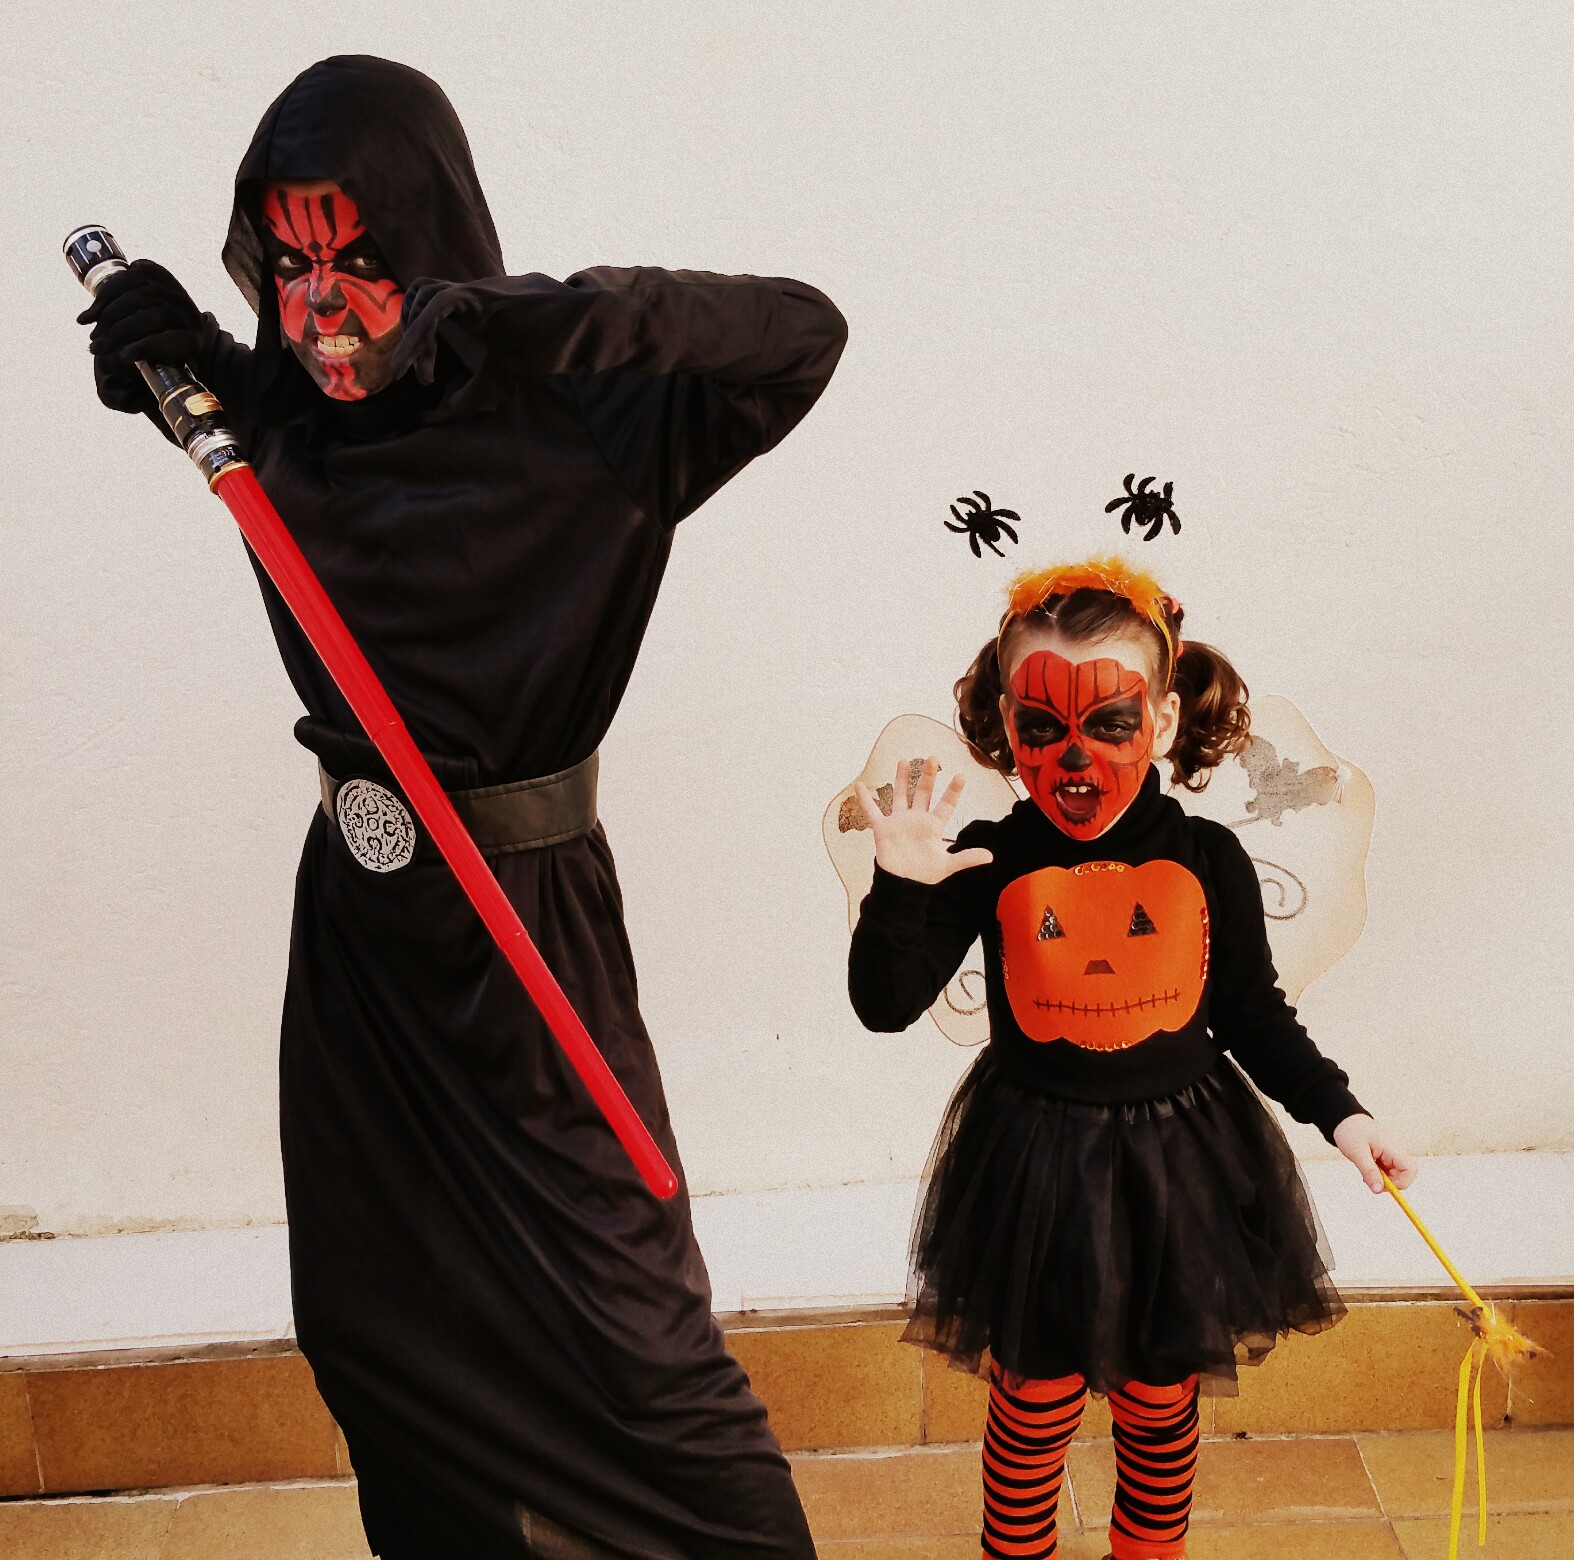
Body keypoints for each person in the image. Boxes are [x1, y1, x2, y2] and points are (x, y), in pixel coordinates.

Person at [78, 53, 845, 1560]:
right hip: (360, 938)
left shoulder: (592, 423)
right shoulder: (270, 415)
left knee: (639, 1348)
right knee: (372, 1326)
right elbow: (222, 382)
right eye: (286, 264)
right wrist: (162, 351)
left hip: (526, 934)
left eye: (358, 258)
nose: (321, 308)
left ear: (434, 243)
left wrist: (535, 319)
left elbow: (801, 335)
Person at [847, 556, 1414, 1560]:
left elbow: (1253, 1016)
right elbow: (884, 1006)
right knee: (1033, 1400)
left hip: (1178, 1171)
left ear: (1159, 718)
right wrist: (900, 888)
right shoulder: (986, 855)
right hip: (1032, 1166)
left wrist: (1343, 1114)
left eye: (1109, 722)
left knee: (1160, 1401)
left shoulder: (1208, 860)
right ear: (1007, 724)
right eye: (1041, 725)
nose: (1074, 755)